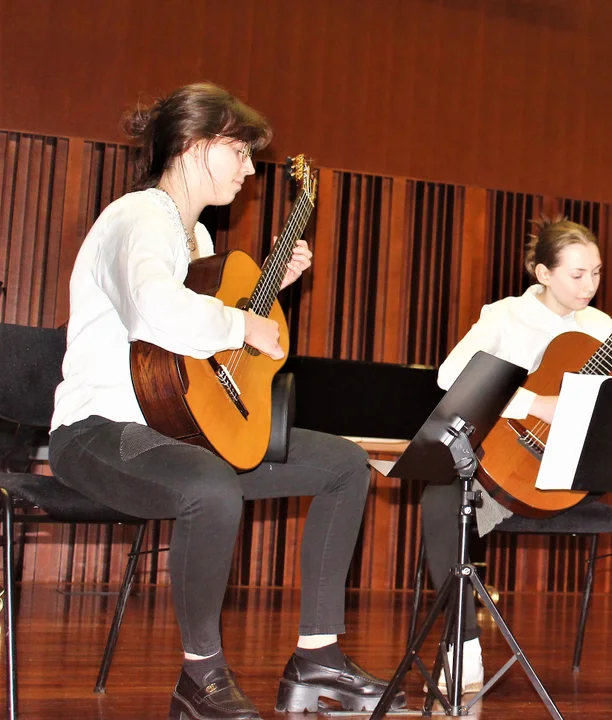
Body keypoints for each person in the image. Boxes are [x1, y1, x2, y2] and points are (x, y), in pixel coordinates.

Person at [47, 83, 402, 720]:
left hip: (176, 434)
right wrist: (241, 326)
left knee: (345, 465)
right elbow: (156, 312)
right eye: (238, 151)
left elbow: (197, 370)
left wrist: (266, 298)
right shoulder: (139, 217)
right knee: (211, 487)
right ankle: (201, 675)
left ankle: (317, 658)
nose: (248, 169)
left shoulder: (200, 245)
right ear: (191, 145)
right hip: (100, 434)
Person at [423, 216, 612, 691]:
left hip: (574, 469)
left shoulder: (600, 325)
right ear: (543, 273)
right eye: (577, 275)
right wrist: (537, 404)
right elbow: (451, 375)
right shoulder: (504, 316)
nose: (589, 285)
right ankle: (462, 642)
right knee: (439, 497)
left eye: (597, 273)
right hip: (506, 471)